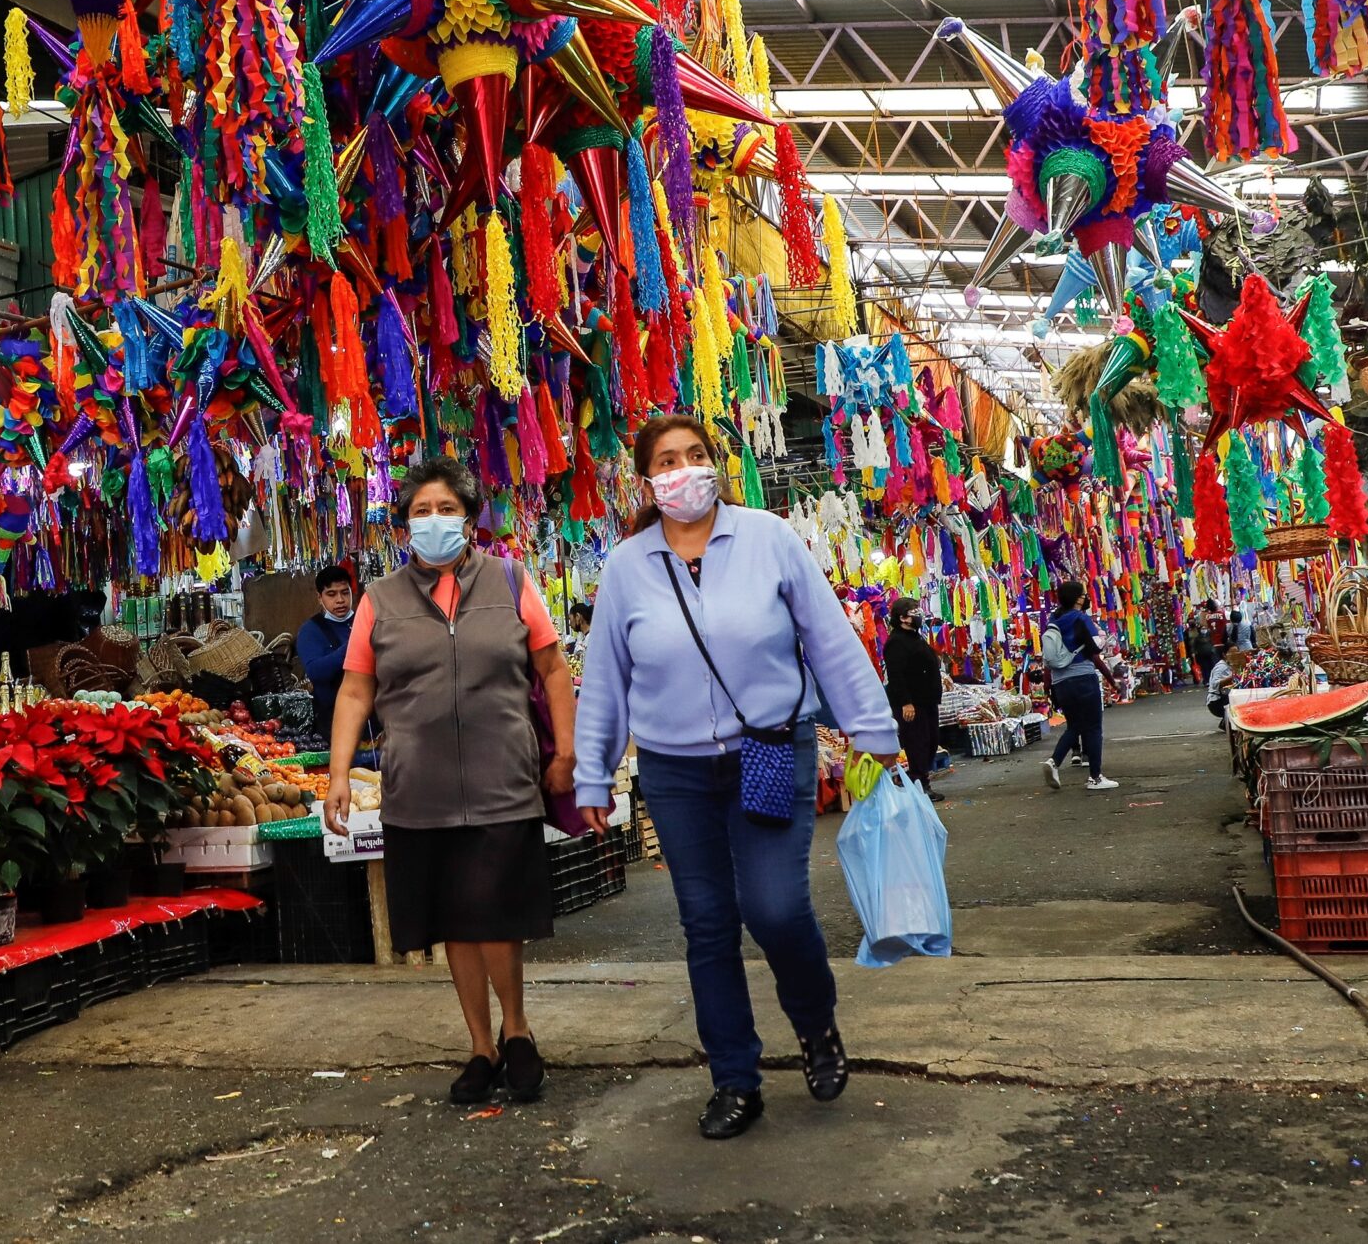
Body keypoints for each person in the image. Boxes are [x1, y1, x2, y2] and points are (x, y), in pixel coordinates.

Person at [575, 414, 902, 1141]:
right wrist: (592, 776)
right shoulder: (629, 565)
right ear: (646, 478)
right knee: (708, 924)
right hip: (675, 770)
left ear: (715, 464)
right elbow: (605, 677)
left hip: (765, 749)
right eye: (667, 459)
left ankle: (816, 1026)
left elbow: (830, 639)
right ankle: (734, 1077)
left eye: (695, 455)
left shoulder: (768, 538)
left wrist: (876, 735)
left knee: (777, 906)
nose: (683, 469)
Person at [323, 460, 573, 1107]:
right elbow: (355, 689)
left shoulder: (511, 578)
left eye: (445, 507)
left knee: (496, 911)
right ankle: (480, 1047)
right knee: (454, 918)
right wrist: (338, 774)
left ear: (468, 514)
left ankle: (517, 1032)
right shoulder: (379, 597)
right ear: (404, 523)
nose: (433, 520)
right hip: (420, 785)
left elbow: (551, 668)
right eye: (420, 510)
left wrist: (567, 750)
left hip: (504, 778)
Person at [1040, 581, 1119, 792]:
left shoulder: (1053, 621)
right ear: (1077, 598)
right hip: (1083, 678)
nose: (1086, 597)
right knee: (1093, 727)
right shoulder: (1081, 618)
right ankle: (1095, 777)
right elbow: (1095, 647)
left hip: (1061, 683)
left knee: (1075, 726)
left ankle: (1054, 761)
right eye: (1084, 594)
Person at [883, 601, 944, 800]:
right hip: (912, 704)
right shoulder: (896, 642)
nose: (919, 615)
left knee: (931, 741)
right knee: (917, 742)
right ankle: (920, 784)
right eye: (914, 612)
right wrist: (905, 703)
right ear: (902, 617)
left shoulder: (915, 637)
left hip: (927, 701)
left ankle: (918, 779)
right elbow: (896, 675)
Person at [293, 565, 357, 740]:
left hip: (372, 717)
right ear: (320, 598)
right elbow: (315, 671)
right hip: (334, 720)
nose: (340, 600)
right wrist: (351, 648)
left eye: (345, 592)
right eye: (331, 594)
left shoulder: (365, 622)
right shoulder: (310, 631)